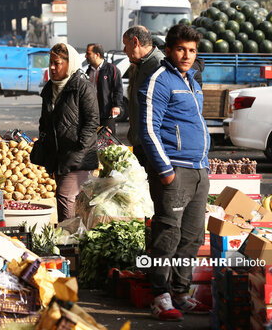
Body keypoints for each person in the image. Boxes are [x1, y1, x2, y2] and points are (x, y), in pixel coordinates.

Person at [139, 24, 210, 321]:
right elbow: (148, 128)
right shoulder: (160, 79)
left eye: (192, 50)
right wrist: (165, 169)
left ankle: (181, 293)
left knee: (192, 237)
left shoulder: (193, 81)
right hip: (175, 170)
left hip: (198, 170)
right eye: (181, 49)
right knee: (168, 235)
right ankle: (160, 296)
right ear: (168, 50)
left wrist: (205, 161)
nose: (187, 55)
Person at [32, 43, 99, 222]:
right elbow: (44, 122)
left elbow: (92, 121)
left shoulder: (82, 87)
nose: (52, 67)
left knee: (64, 196)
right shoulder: (49, 89)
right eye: (51, 63)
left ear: (70, 63)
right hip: (57, 157)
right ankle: (75, 241)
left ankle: (66, 240)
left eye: (58, 63)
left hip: (78, 156)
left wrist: (79, 148)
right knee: (74, 202)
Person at [122, 26, 165, 167]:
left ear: (135, 42)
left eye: (125, 45)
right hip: (140, 142)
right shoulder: (138, 64)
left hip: (152, 145)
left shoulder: (158, 65)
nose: (124, 50)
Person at [85, 43, 123, 135]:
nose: (86, 56)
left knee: (108, 141)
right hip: (91, 113)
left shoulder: (112, 69)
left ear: (97, 55)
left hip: (107, 113)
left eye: (88, 53)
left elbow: (118, 89)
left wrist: (117, 105)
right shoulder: (88, 70)